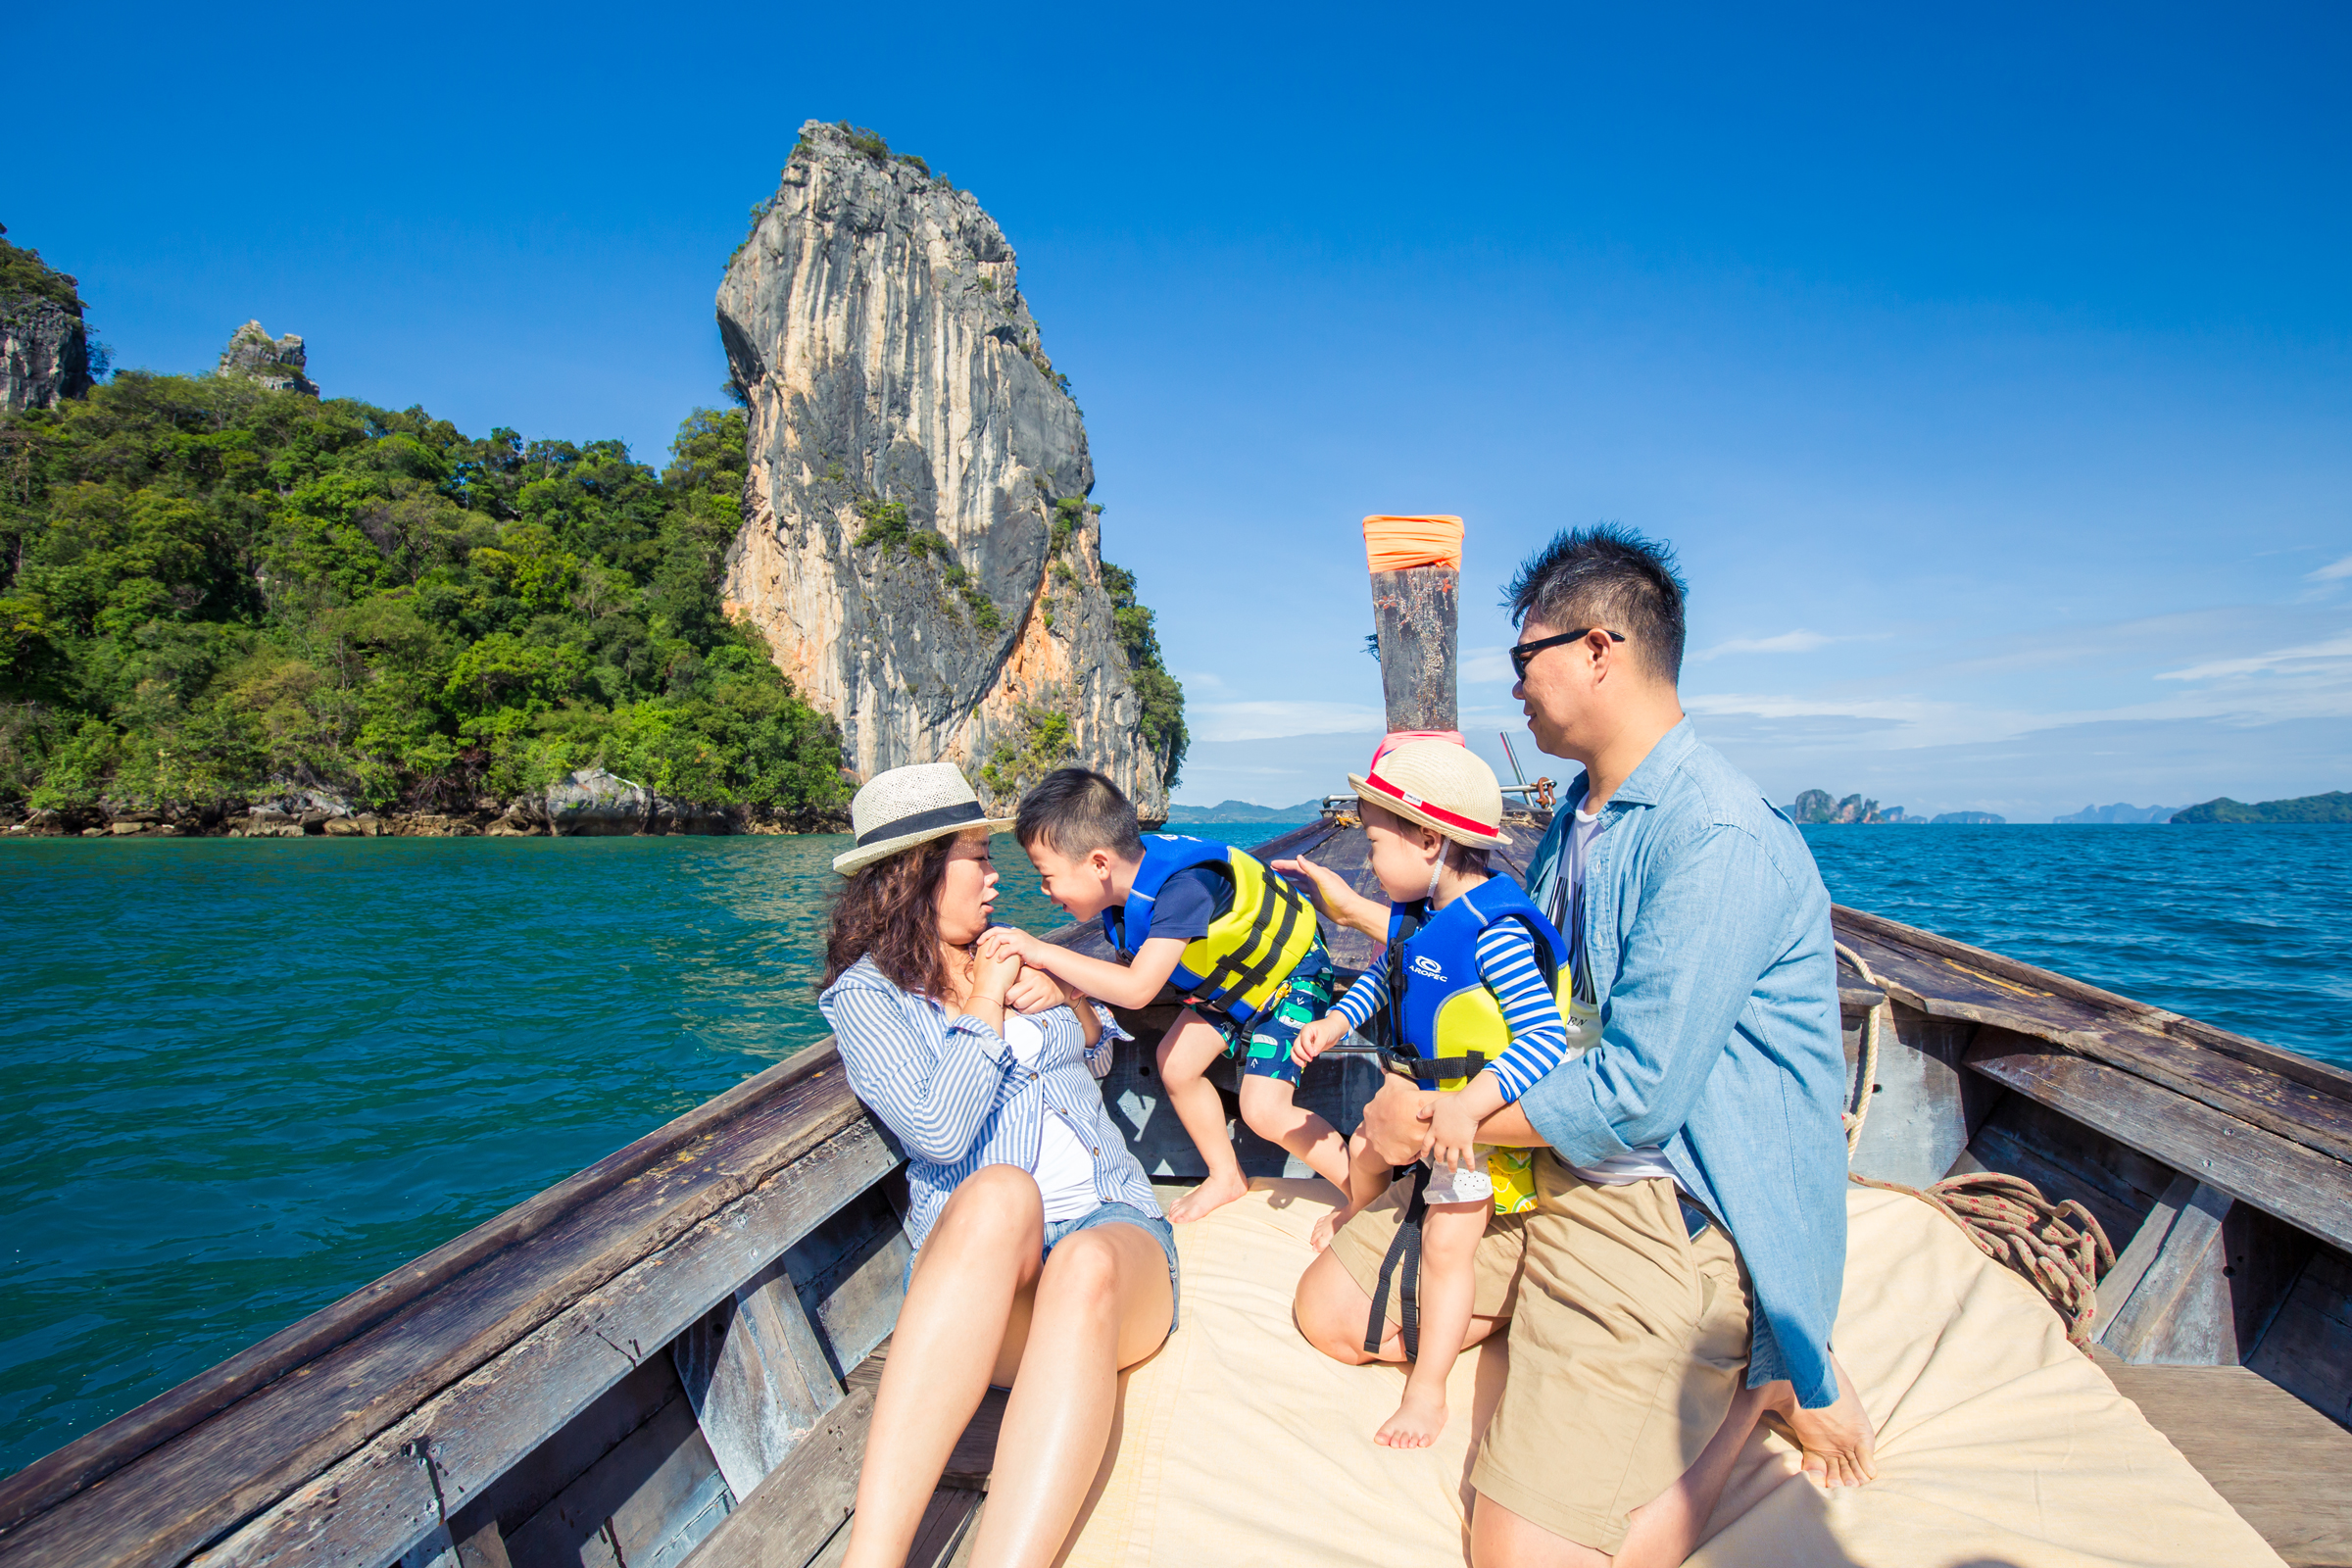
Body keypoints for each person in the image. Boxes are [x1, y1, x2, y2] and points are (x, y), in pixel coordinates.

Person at [1285, 525, 1877, 1568]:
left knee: (1521, 1558)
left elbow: (1637, 1095)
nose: (1513, 686)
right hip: (1546, 1154)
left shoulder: (1715, 837)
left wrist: (1428, 1122)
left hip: (1666, 1194)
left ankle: (1764, 1378)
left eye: (1526, 658)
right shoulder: (1579, 816)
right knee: (1332, 1311)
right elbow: (1514, 981)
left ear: (1599, 649)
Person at [817, 762, 1178, 1568]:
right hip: (988, 1289)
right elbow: (938, 1132)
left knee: (1083, 1259)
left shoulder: (1013, 950)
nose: (994, 878)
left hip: (1111, 1240)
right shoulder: (868, 997)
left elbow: (1100, 1054)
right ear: (915, 874)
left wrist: (1075, 1004)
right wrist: (984, 1002)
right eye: (977, 858)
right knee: (1000, 1194)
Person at [1288, 738, 1576, 1449]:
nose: (1370, 866)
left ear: (1429, 840)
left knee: (1449, 1249)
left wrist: (1468, 1107)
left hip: (1469, 1136)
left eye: (1377, 844)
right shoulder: (1423, 922)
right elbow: (1385, 980)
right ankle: (1364, 1219)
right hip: (1421, 1117)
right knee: (1360, 1144)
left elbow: (1543, 1039)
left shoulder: (1495, 933)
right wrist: (1334, 1019)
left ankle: (1427, 1392)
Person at [979, 766, 1350, 1222]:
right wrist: (1067, 987)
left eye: (1046, 875)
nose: (1045, 890)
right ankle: (1226, 1176)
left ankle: (1362, 1191)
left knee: (1263, 1109)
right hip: (1235, 985)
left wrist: (1042, 951)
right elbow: (1125, 970)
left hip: (1290, 976)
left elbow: (1137, 990)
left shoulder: (1183, 889)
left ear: (1098, 864)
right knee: (1175, 1064)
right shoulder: (1126, 897)